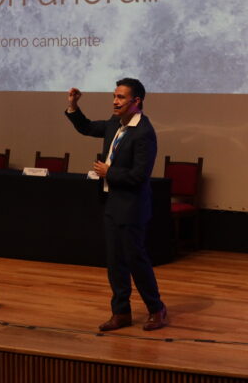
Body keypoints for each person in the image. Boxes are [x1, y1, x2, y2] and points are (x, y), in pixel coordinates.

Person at [65, 78, 168, 331]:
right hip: (112, 203)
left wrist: (109, 172)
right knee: (115, 262)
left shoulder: (144, 133)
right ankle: (121, 312)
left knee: (135, 260)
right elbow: (87, 127)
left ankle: (156, 308)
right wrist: (73, 106)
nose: (115, 101)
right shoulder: (115, 124)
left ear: (136, 101)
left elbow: (139, 176)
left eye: (121, 97)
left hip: (132, 207)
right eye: (114, 96)